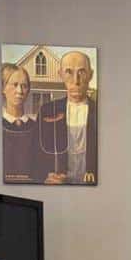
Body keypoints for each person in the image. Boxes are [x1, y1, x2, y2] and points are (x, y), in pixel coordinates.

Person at [39, 50, 98, 185]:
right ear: (60, 75)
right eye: (69, 72)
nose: (76, 81)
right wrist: (46, 177)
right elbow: (36, 154)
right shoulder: (47, 110)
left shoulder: (100, 112)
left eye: (81, 72)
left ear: (90, 75)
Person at [1, 63, 48, 184]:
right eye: (14, 85)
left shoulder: (37, 128)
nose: (20, 91)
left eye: (24, 86)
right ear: (3, 88)